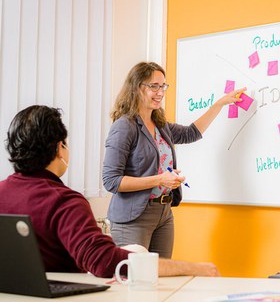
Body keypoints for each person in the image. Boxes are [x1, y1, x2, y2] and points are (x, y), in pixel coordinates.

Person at [0, 105, 219, 278]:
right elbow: (104, 262)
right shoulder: (65, 202)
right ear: (60, 148)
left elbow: (190, 132)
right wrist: (194, 268)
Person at [102, 62, 245, 258]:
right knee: (134, 280)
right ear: (136, 87)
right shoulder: (125, 126)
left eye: (163, 86)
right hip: (133, 217)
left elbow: (191, 133)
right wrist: (160, 179)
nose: (160, 92)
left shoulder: (160, 126)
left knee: (162, 278)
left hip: (163, 212)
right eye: (154, 86)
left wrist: (219, 104)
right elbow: (112, 181)